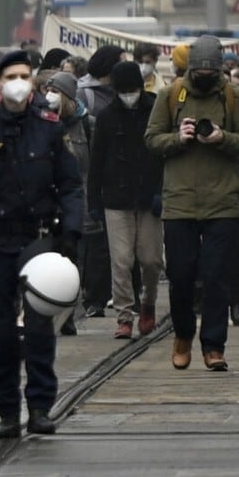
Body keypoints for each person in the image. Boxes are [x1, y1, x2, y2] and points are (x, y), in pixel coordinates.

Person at [0, 49, 86, 437]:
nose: (19, 83)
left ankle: (41, 406)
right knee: (2, 333)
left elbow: (71, 185)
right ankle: (7, 411)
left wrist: (72, 234)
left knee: (40, 329)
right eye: (12, 76)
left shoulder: (49, 127)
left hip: (38, 240)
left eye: (26, 76)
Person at [144, 36, 239, 372]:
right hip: (180, 202)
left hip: (222, 202)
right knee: (180, 275)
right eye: (199, 71)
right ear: (190, 68)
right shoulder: (171, 95)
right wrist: (178, 138)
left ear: (220, 68)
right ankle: (182, 335)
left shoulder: (234, 96)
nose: (205, 76)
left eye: (211, 71)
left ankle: (213, 346)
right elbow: (151, 139)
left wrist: (223, 139)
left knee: (218, 276)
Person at [90, 61, 163, 339]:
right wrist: (94, 201)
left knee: (152, 259)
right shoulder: (108, 117)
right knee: (121, 260)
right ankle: (124, 315)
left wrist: (161, 192)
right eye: (123, 90)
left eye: (132, 89)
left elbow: (164, 155)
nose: (128, 95)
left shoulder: (155, 109)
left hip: (149, 198)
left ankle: (148, 302)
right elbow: (97, 161)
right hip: (116, 198)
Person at [45, 70, 98, 330]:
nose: (49, 96)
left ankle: (67, 314)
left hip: (77, 201)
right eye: (47, 90)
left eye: (55, 91)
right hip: (46, 201)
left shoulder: (88, 124)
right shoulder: (41, 121)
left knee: (72, 259)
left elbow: (96, 165)